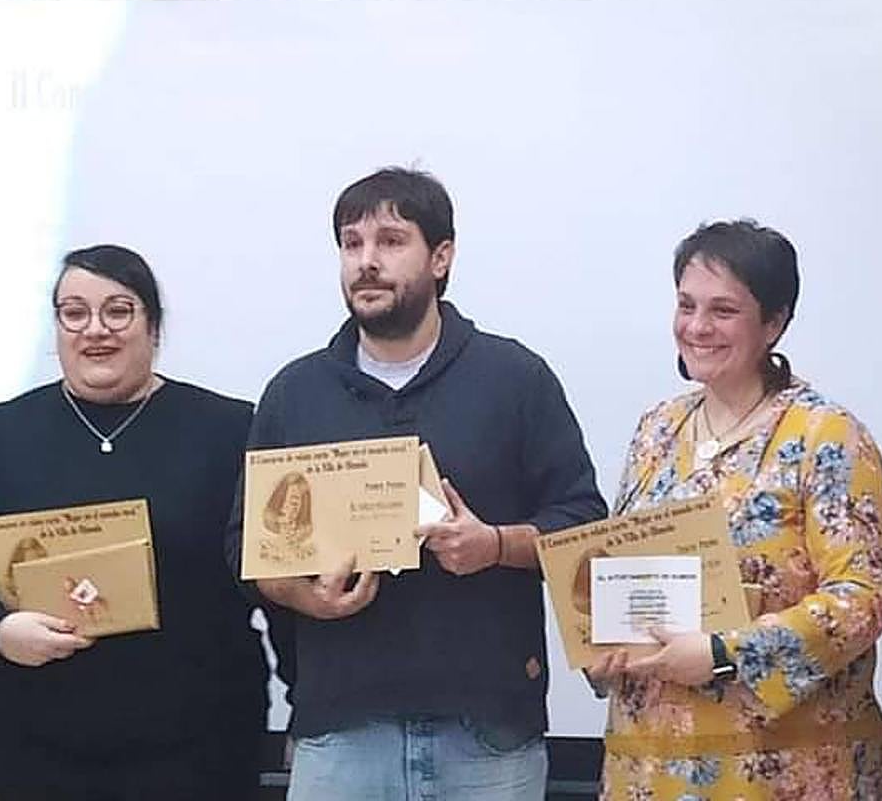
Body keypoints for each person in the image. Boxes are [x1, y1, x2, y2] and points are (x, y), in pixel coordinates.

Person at [226, 166, 607, 801]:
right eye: (351, 244)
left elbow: (584, 527)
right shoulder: (295, 392)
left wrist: (495, 545)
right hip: (340, 733)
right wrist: (304, 594)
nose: (366, 262)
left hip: (487, 733)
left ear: (441, 256)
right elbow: (246, 549)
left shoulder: (515, 378)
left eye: (390, 241)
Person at [0, 245, 267, 801]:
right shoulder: (0, 437)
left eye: (118, 310)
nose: (96, 330)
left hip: (196, 755)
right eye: (74, 312)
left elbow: (271, 567)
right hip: (27, 751)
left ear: (153, 326)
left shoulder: (228, 431)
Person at [587, 220, 882, 799]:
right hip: (649, 771)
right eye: (686, 305)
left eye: (723, 310)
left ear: (774, 323)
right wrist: (602, 644)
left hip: (787, 775)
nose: (697, 327)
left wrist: (724, 654)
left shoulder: (826, 436)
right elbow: (621, 569)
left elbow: (860, 600)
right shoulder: (656, 430)